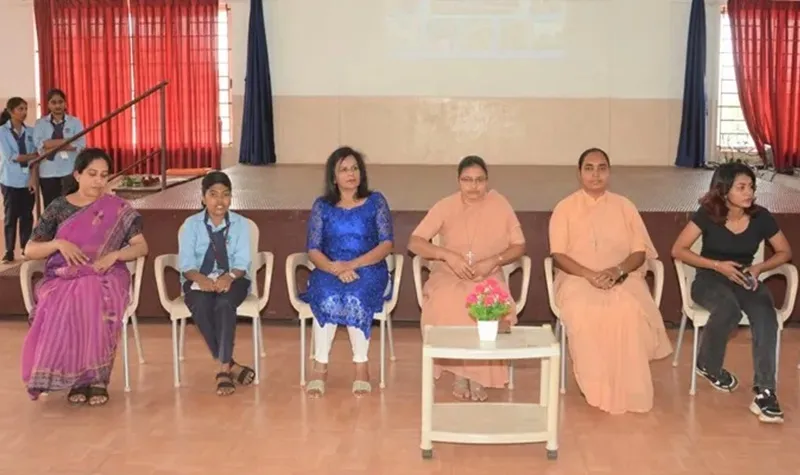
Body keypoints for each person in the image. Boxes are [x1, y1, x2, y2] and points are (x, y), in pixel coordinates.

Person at [548, 148, 672, 415]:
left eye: (602, 168)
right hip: (577, 278)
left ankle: (630, 387)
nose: (596, 174)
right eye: (589, 168)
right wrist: (589, 275)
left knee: (628, 309)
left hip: (622, 276)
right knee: (585, 310)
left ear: (609, 172)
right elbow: (558, 255)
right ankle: (597, 384)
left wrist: (617, 272)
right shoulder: (564, 208)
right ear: (579, 173)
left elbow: (639, 252)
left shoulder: (625, 206)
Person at [21, 148, 149, 406]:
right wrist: (58, 244)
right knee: (65, 297)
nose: (99, 181)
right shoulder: (59, 207)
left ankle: (97, 379)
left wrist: (115, 255)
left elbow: (141, 247)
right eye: (92, 174)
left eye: (104, 175)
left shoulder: (117, 208)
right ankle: (79, 379)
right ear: (77, 175)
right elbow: (30, 249)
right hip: (64, 276)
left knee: (90, 292)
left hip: (107, 274)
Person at [671, 162, 791, 424]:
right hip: (710, 278)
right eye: (741, 187)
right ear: (724, 190)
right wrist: (717, 265)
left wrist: (759, 267)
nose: (749, 193)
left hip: (744, 276)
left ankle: (765, 392)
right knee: (728, 310)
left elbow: (785, 251)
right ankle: (708, 364)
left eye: (751, 187)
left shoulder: (761, 217)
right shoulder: (708, 214)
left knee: (765, 315)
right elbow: (678, 249)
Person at [408, 155, 525, 402]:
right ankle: (460, 373)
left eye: (479, 180)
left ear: (487, 181)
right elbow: (415, 242)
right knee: (449, 300)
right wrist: (447, 255)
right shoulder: (446, 205)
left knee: (485, 300)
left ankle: (478, 374)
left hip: (488, 273)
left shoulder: (500, 205)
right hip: (449, 273)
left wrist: (493, 261)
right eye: (467, 180)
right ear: (458, 181)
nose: (474, 186)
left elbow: (519, 246)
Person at [301, 146, 393, 397]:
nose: (351, 173)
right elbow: (313, 249)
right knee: (327, 294)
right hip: (330, 269)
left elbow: (386, 244)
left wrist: (352, 265)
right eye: (343, 169)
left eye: (355, 168)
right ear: (333, 177)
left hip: (369, 268)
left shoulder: (376, 202)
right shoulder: (322, 206)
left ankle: (361, 366)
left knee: (355, 294)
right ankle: (320, 367)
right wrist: (335, 268)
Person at [178, 171, 257, 396]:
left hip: (234, 278)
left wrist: (229, 277)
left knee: (224, 304)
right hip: (198, 279)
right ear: (203, 198)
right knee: (201, 304)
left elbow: (242, 262)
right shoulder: (191, 225)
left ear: (231, 198)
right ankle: (231, 364)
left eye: (225, 194)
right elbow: (186, 264)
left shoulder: (240, 224)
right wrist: (201, 279)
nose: (220, 200)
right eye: (213, 194)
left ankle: (223, 369)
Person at [33, 88, 86, 208]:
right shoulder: (40, 123)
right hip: (48, 172)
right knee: (51, 208)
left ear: (65, 103)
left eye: (60, 102)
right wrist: (67, 141)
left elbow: (80, 144)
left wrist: (50, 145)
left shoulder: (75, 122)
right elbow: (40, 144)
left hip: (69, 171)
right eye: (53, 102)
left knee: (71, 207)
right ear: (48, 105)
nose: (57, 105)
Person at [0, 97, 37, 263]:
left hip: (27, 179)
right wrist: (31, 156)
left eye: (25, 109)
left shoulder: (30, 131)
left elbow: (36, 158)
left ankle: (25, 248)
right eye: (20, 109)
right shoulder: (2, 132)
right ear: (10, 111)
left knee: (27, 215)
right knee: (10, 216)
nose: (24, 112)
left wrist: (32, 178)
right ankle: (9, 250)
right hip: (10, 180)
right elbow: (11, 156)